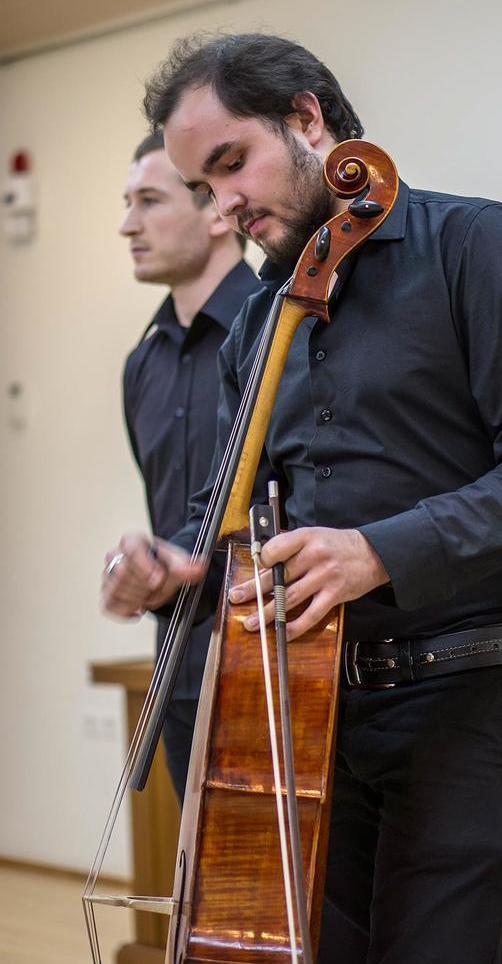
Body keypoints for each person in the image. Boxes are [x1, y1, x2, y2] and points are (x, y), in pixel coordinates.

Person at [102, 34, 502, 964]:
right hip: (313, 707)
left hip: (475, 689)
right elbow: (235, 509)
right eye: (205, 188)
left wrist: (378, 549)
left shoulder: (477, 243)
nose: (229, 206)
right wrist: (177, 564)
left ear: (307, 116)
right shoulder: (258, 319)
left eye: (231, 165)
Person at [117, 129, 260, 802]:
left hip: (274, 676)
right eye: (127, 203)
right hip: (180, 670)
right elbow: (172, 516)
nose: (127, 224)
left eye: (148, 200)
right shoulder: (141, 365)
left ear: (213, 210)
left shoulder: (279, 329)